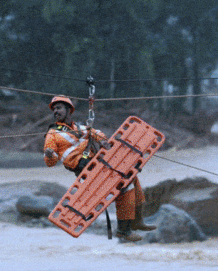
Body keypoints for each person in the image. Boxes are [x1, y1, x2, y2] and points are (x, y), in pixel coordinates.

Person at [43, 95, 154, 241]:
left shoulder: (81, 128)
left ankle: (137, 220)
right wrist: (50, 154)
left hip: (99, 165)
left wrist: (102, 141)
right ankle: (123, 230)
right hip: (86, 171)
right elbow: (49, 162)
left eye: (59, 108)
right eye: (54, 109)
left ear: (69, 110)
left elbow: (96, 132)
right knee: (125, 187)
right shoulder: (52, 134)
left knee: (132, 178)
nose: (55, 111)